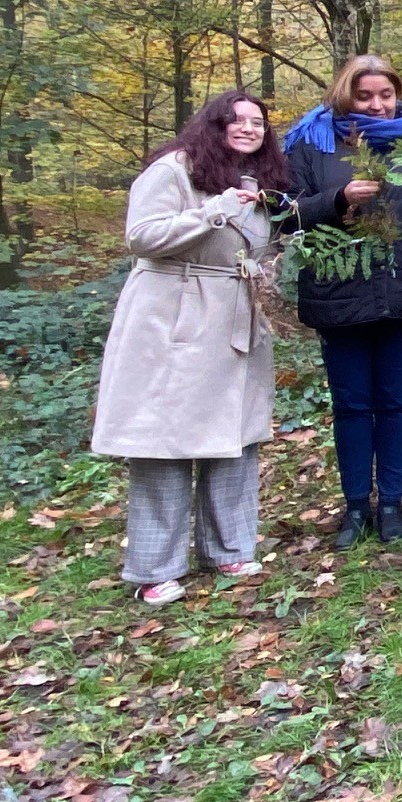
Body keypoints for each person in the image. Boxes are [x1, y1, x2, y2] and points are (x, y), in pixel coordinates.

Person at [93, 92, 287, 604]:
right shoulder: (174, 169)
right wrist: (216, 213)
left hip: (235, 314)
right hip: (172, 317)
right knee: (164, 441)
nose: (248, 129)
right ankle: (155, 568)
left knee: (236, 436)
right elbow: (142, 236)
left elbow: (262, 247)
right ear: (213, 124)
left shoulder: (258, 179)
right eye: (237, 121)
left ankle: (229, 548)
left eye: (257, 122)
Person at [285, 56, 402, 548]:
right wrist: (338, 199)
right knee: (352, 404)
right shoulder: (312, 142)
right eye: (365, 97)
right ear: (345, 95)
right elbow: (285, 215)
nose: (378, 105)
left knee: (396, 402)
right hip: (337, 291)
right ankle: (355, 506)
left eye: (386, 95)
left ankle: (392, 504)